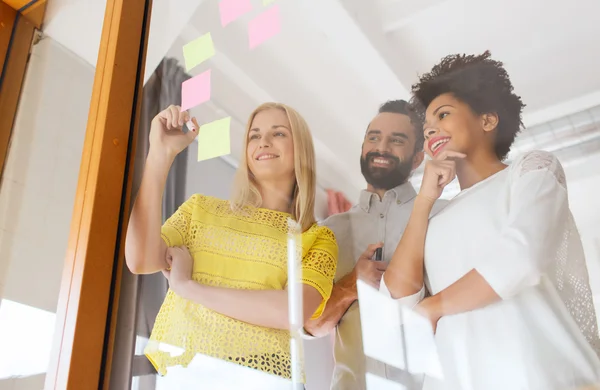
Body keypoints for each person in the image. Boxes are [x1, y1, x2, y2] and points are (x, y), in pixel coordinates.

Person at [382, 51, 600, 390]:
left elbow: (521, 257)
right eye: (426, 130)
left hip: (539, 373)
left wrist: (434, 306)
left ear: (487, 120)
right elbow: (398, 300)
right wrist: (424, 201)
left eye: (443, 114)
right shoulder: (435, 216)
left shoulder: (531, 171)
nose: (431, 131)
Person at [125, 103, 338, 388]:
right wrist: (160, 154)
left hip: (266, 381)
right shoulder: (199, 210)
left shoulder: (317, 238)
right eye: (254, 135)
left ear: (301, 149)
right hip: (188, 378)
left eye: (278, 134)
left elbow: (290, 312)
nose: (263, 141)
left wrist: (187, 287)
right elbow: (139, 259)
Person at [303, 100, 447, 389]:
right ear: (362, 148)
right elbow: (312, 326)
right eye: (374, 137)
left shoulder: (443, 216)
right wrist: (351, 284)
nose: (382, 147)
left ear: (418, 158)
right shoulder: (328, 231)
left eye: (397, 140)